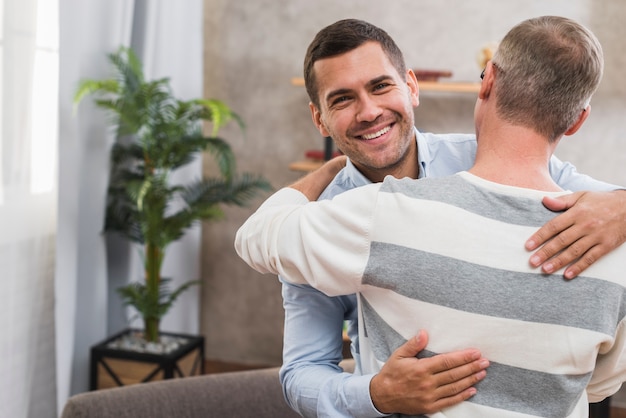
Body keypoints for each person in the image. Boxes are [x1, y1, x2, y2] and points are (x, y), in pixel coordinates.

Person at [236, 15, 626, 417]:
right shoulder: (317, 224)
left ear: (411, 86)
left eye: (380, 86)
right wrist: (377, 395)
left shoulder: (487, 158)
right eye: (342, 99)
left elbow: (570, 187)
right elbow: (302, 372)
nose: (369, 112)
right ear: (319, 118)